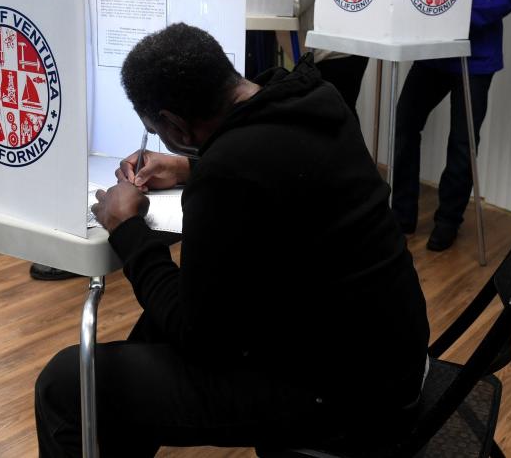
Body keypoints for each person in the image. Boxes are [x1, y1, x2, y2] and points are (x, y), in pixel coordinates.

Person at [34, 24, 430, 456]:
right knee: (148, 336)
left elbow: (197, 336)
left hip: (343, 401)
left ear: (176, 127)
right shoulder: (313, 99)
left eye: (157, 129)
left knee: (66, 382)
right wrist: (192, 166)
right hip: (389, 359)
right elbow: (273, 169)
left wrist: (126, 226)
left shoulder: (231, 171)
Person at [392, 0, 511, 251]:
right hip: (432, 54)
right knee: (404, 125)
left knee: (462, 142)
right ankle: (401, 214)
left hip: (473, 55)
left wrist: (457, 15)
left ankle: (448, 220)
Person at [25, 0, 127, 280]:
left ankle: (64, 248)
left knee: (59, 147)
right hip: (106, 51)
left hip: (58, 52)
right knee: (95, 147)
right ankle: (109, 229)